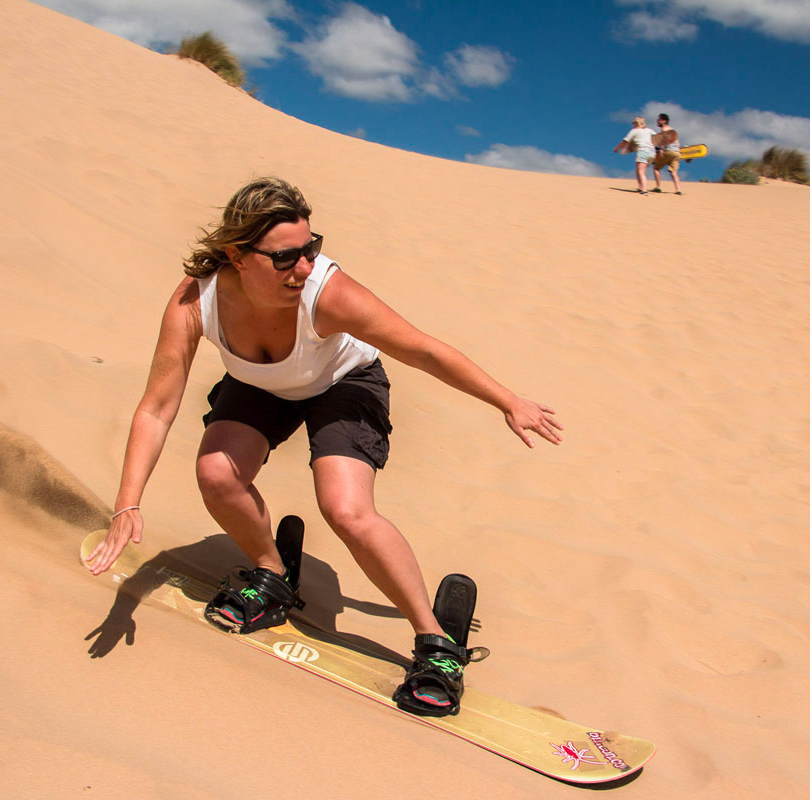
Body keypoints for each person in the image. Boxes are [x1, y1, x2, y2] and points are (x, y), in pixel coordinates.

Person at [84, 176, 562, 715]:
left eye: (311, 248)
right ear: (237, 255)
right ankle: (271, 574)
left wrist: (507, 400)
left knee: (346, 509)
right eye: (287, 257)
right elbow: (156, 407)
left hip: (344, 384)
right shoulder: (196, 300)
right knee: (217, 474)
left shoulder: (327, 294)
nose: (305, 267)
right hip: (261, 385)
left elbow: (423, 350)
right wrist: (128, 501)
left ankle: (437, 645)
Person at [613, 116, 655, 194]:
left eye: (633, 123)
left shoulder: (634, 131)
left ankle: (644, 190)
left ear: (636, 123)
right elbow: (657, 138)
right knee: (638, 169)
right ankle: (640, 187)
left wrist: (617, 148)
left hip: (643, 151)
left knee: (641, 172)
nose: (632, 124)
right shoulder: (649, 130)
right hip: (652, 152)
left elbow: (625, 141)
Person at [651, 113, 683, 195]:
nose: (657, 121)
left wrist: (661, 149)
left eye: (659, 119)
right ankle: (678, 189)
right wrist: (679, 152)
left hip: (668, 151)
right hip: (676, 153)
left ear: (664, 121)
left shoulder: (664, 129)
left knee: (656, 167)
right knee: (673, 172)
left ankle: (658, 187)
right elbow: (678, 143)